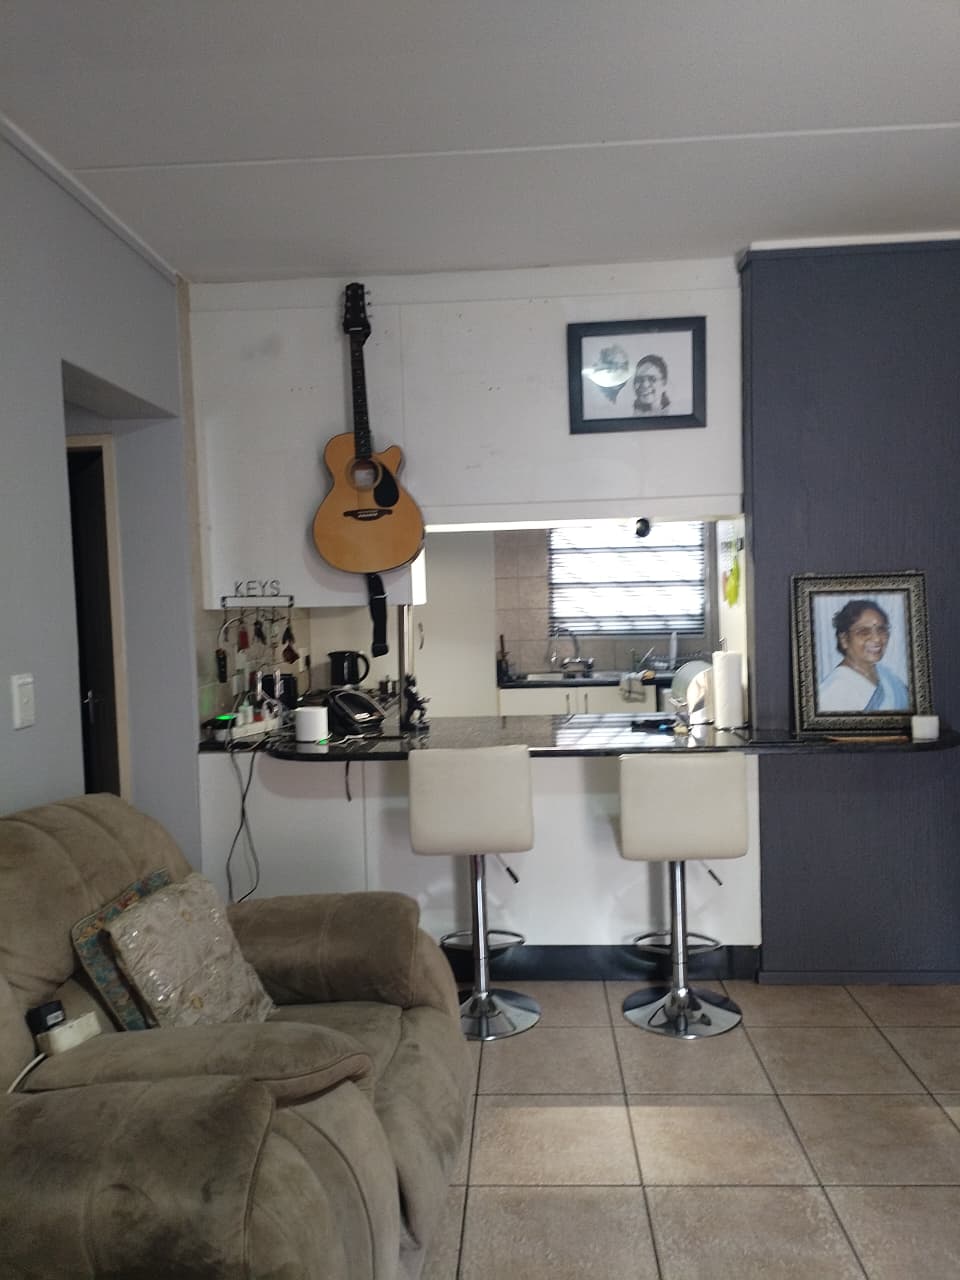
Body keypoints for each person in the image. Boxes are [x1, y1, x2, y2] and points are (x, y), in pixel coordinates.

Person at [817, 599, 910, 712]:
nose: (877, 639)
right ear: (844, 639)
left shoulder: (886, 676)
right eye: (864, 632)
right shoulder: (832, 691)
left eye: (881, 630)